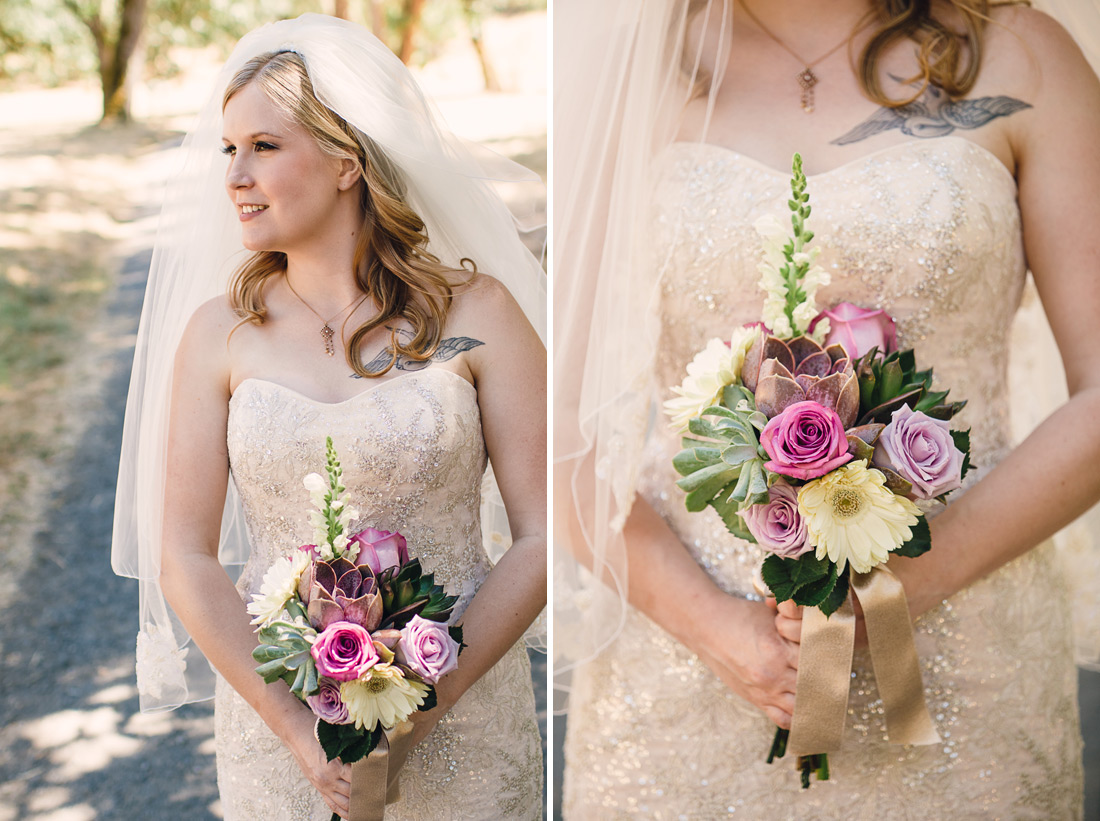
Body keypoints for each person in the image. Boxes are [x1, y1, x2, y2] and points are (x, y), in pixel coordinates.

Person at [554, 0, 1100, 816]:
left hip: (968, 662)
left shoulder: (1023, 57)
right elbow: (556, 431)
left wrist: (904, 585)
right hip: (682, 681)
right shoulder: (644, 68)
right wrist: (719, 631)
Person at [112, 14, 546, 820]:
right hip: (282, 737)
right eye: (228, 149)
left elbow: (547, 532)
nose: (235, 175)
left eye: (264, 147)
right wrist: (299, 733)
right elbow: (183, 554)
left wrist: (423, 707)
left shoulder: (480, 311)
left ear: (348, 158)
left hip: (467, 722)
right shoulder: (217, 334)